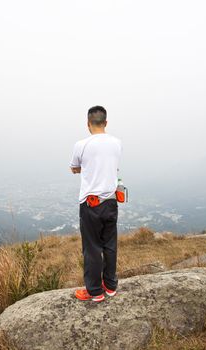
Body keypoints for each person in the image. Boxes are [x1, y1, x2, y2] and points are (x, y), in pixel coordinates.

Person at [69, 106, 123, 302]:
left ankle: (94, 292)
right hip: (111, 202)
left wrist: (81, 169)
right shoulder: (117, 143)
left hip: (90, 203)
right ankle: (110, 286)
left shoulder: (81, 145)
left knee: (92, 248)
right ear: (106, 123)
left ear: (88, 124)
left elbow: (74, 168)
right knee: (109, 245)